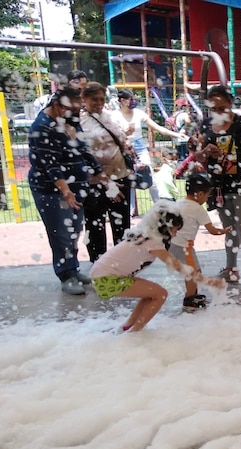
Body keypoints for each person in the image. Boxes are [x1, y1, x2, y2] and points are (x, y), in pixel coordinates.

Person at [90, 201, 225, 332]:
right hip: (106, 279)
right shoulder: (151, 241)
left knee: (150, 294)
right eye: (175, 229)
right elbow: (177, 266)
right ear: (165, 226)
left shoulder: (144, 235)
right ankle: (134, 333)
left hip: (102, 275)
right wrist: (207, 281)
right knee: (160, 294)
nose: (176, 234)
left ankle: (128, 327)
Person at [28, 86, 110, 295]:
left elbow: (83, 149)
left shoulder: (70, 119)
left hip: (76, 187)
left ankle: (72, 268)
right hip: (52, 190)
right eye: (71, 109)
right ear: (57, 105)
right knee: (61, 233)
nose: (76, 113)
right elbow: (51, 164)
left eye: (77, 108)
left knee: (74, 230)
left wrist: (99, 173)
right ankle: (65, 275)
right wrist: (65, 190)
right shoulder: (43, 126)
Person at [195, 84, 241, 293]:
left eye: (223, 108)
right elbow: (198, 156)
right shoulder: (206, 125)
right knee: (228, 230)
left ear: (231, 104)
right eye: (214, 108)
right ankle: (231, 268)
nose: (219, 113)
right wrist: (205, 151)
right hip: (218, 187)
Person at [78, 81, 132, 263]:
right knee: (95, 225)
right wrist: (104, 180)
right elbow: (82, 153)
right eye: (94, 99)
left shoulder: (109, 116)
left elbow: (121, 138)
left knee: (122, 224)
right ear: (83, 99)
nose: (99, 103)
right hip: (94, 183)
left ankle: (122, 262)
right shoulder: (79, 122)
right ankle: (99, 264)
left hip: (121, 176)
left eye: (102, 99)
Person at [114, 89, 187, 214]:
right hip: (123, 147)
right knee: (127, 179)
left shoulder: (138, 113)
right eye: (130, 99)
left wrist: (176, 134)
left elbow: (158, 128)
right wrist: (125, 133)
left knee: (149, 176)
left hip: (139, 145)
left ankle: (159, 207)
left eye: (134, 99)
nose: (133, 102)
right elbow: (113, 135)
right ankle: (130, 211)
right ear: (121, 100)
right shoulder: (114, 115)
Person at [169, 173, 232, 311]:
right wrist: (224, 231)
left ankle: (192, 295)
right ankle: (190, 300)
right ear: (199, 194)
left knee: (190, 272)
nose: (206, 199)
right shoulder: (198, 209)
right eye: (206, 196)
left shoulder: (178, 203)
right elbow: (212, 230)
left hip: (171, 244)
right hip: (184, 246)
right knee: (194, 273)